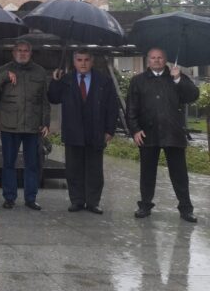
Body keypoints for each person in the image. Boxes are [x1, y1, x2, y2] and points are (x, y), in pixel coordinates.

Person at [126, 48, 200, 222]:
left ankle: (186, 208)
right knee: (147, 173)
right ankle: (145, 205)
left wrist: (178, 78)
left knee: (179, 173)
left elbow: (193, 96)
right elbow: (131, 108)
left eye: (160, 58)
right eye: (153, 58)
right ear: (148, 60)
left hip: (173, 133)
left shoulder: (176, 77)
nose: (157, 60)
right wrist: (135, 129)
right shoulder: (138, 81)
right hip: (147, 133)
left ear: (165, 60)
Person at [48, 50, 118, 214]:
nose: (83, 63)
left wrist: (109, 130)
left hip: (96, 131)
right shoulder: (65, 80)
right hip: (74, 131)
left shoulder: (104, 81)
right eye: (79, 60)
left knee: (95, 169)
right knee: (74, 168)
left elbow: (112, 107)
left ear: (92, 61)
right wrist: (55, 81)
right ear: (74, 62)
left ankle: (93, 202)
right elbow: (53, 97)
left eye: (86, 60)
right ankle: (77, 200)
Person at [0, 39, 49, 210]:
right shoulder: (4, 69)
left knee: (32, 164)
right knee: (9, 163)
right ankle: (9, 197)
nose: (22, 53)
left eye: (26, 50)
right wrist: (5, 77)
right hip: (9, 125)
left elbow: (44, 100)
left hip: (32, 126)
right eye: (19, 50)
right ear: (13, 53)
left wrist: (46, 122)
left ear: (31, 53)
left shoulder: (40, 72)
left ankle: (30, 198)